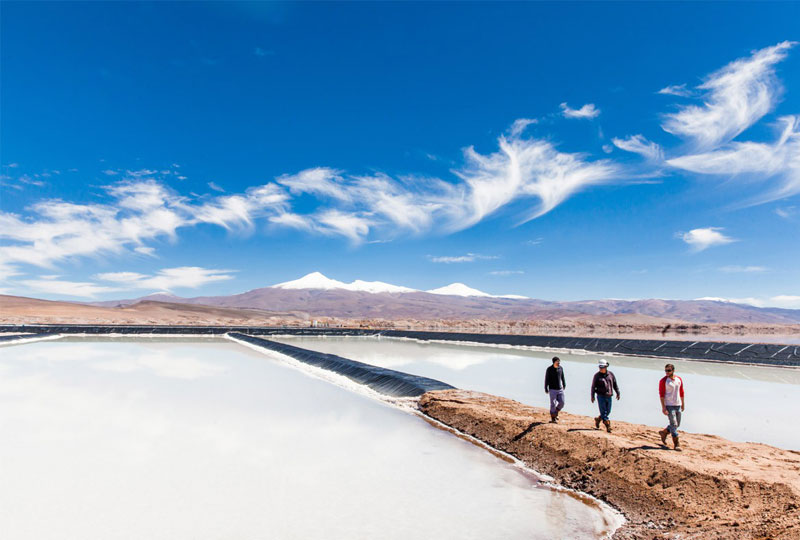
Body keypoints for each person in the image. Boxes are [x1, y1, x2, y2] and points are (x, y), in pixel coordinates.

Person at [658, 363, 685, 451]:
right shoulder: (663, 381)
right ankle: (676, 444)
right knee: (674, 424)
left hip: (678, 404)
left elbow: (681, 392)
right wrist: (663, 407)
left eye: (669, 370)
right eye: (666, 371)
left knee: (677, 424)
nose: (667, 372)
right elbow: (661, 395)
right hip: (669, 405)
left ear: (673, 370)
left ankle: (664, 432)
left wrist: (683, 404)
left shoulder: (679, 379)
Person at [590, 358, 620, 432]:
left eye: (602, 367)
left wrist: (618, 392)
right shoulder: (596, 376)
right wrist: (592, 396)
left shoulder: (611, 374)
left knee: (608, 411)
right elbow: (593, 386)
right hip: (601, 396)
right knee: (604, 412)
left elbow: (615, 384)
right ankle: (608, 426)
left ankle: (598, 419)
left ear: (606, 367)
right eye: (600, 367)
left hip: (609, 396)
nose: (601, 369)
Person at [544, 356, 566, 423]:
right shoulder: (549, 369)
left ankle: (556, 412)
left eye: (559, 361)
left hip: (560, 389)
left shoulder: (561, 368)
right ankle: (553, 418)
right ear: (554, 362)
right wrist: (546, 388)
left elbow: (562, 376)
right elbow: (546, 379)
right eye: (557, 362)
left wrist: (564, 384)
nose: (559, 363)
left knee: (562, 403)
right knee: (553, 404)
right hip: (552, 389)